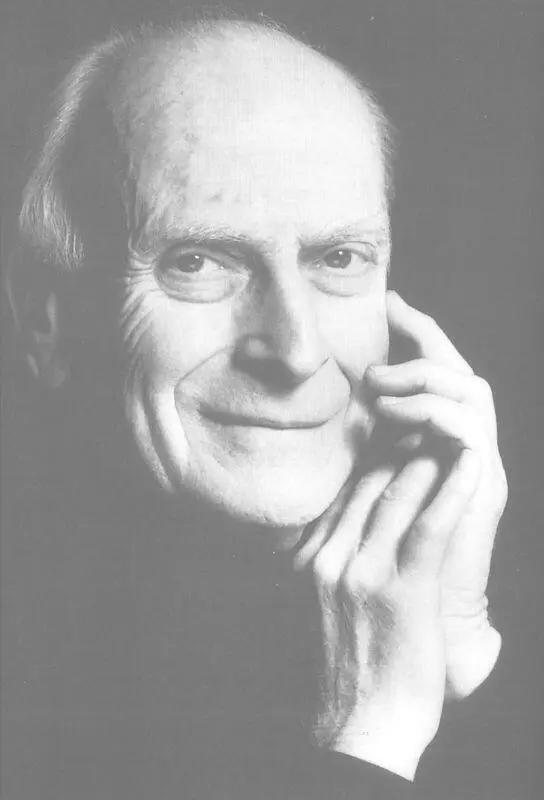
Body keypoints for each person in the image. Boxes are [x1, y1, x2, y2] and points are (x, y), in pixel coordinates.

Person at [6, 12, 507, 799]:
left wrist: (457, 642)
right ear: (47, 322)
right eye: (199, 261)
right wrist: (369, 737)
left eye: (339, 257)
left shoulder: (412, 635)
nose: (298, 350)